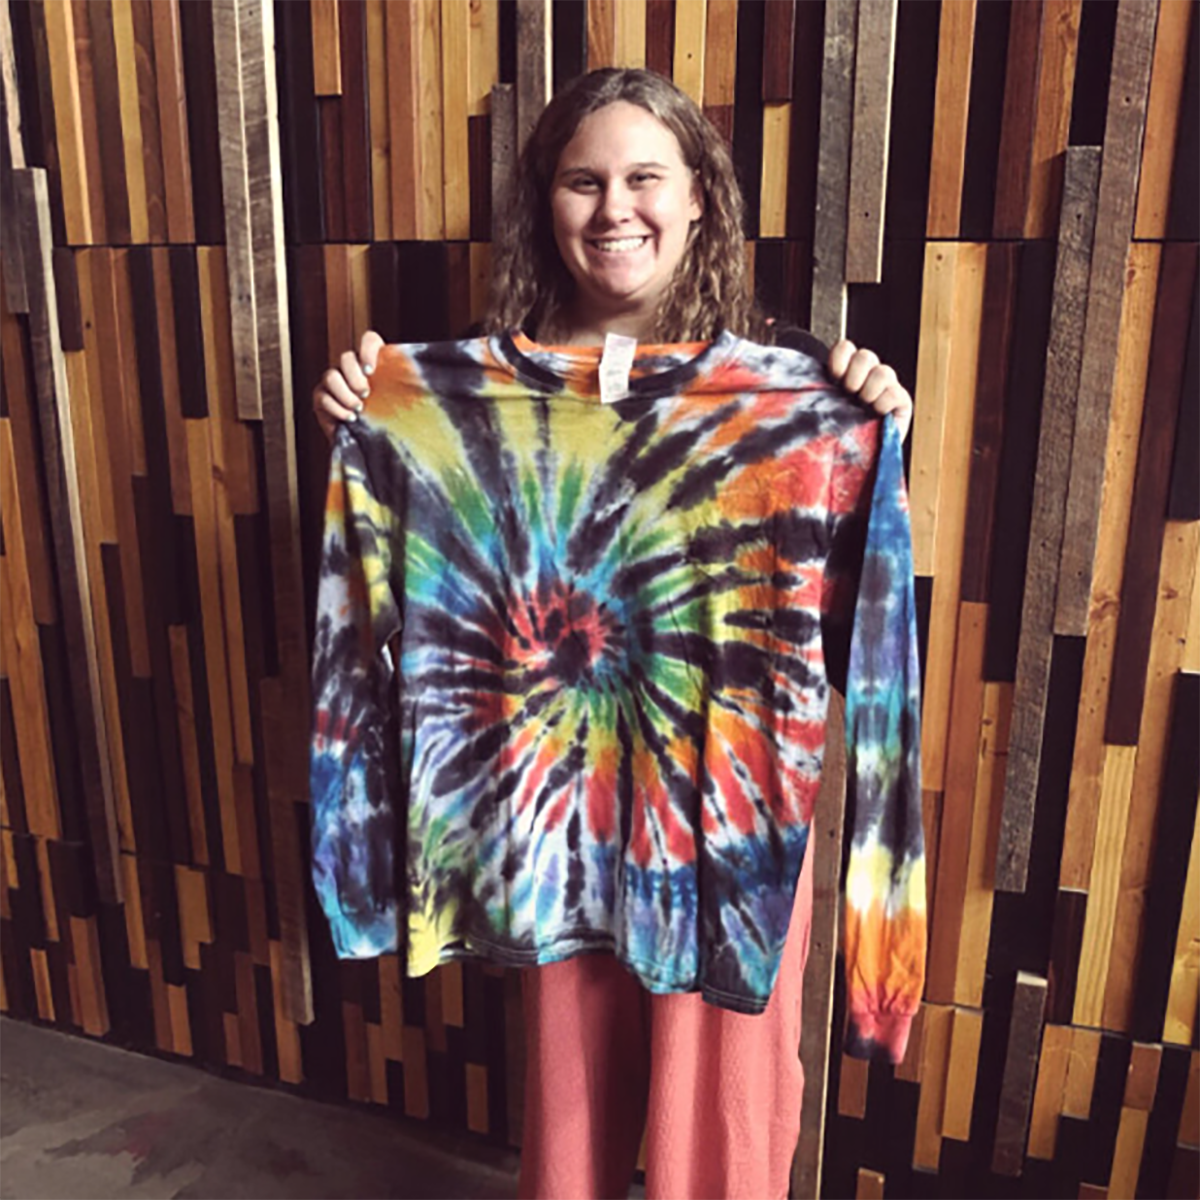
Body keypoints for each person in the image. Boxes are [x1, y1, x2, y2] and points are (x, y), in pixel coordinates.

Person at [311, 68, 915, 1200]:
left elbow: (882, 675)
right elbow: (361, 625)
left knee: (726, 1142)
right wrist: (364, 429)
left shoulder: (796, 397)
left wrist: (875, 442)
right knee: (571, 1146)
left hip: (725, 846)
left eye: (645, 177)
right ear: (546, 204)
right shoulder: (457, 407)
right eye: (583, 182)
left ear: (700, 199)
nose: (614, 208)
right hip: (558, 844)